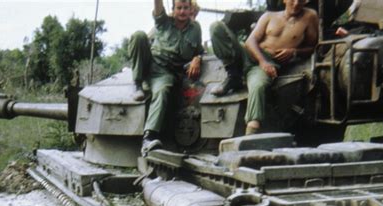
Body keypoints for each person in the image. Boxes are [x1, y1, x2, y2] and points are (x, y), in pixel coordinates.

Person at [210, 0, 319, 134]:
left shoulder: (310, 17)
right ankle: (233, 76)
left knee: (258, 86)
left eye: (301, 0)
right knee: (216, 27)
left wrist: (294, 52)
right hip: (249, 54)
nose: (296, 3)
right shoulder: (269, 16)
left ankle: (251, 133)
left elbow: (312, 46)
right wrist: (262, 62)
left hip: (268, 62)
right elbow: (251, 41)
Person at [129, 0, 204, 153]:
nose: (182, 12)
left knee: (162, 90)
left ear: (191, 9)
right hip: (151, 62)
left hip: (166, 72)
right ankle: (136, 83)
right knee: (138, 36)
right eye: (179, 8)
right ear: (173, 9)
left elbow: (199, 50)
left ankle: (149, 136)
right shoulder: (164, 21)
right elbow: (157, 5)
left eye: (185, 8)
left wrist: (198, 58)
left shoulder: (195, 28)